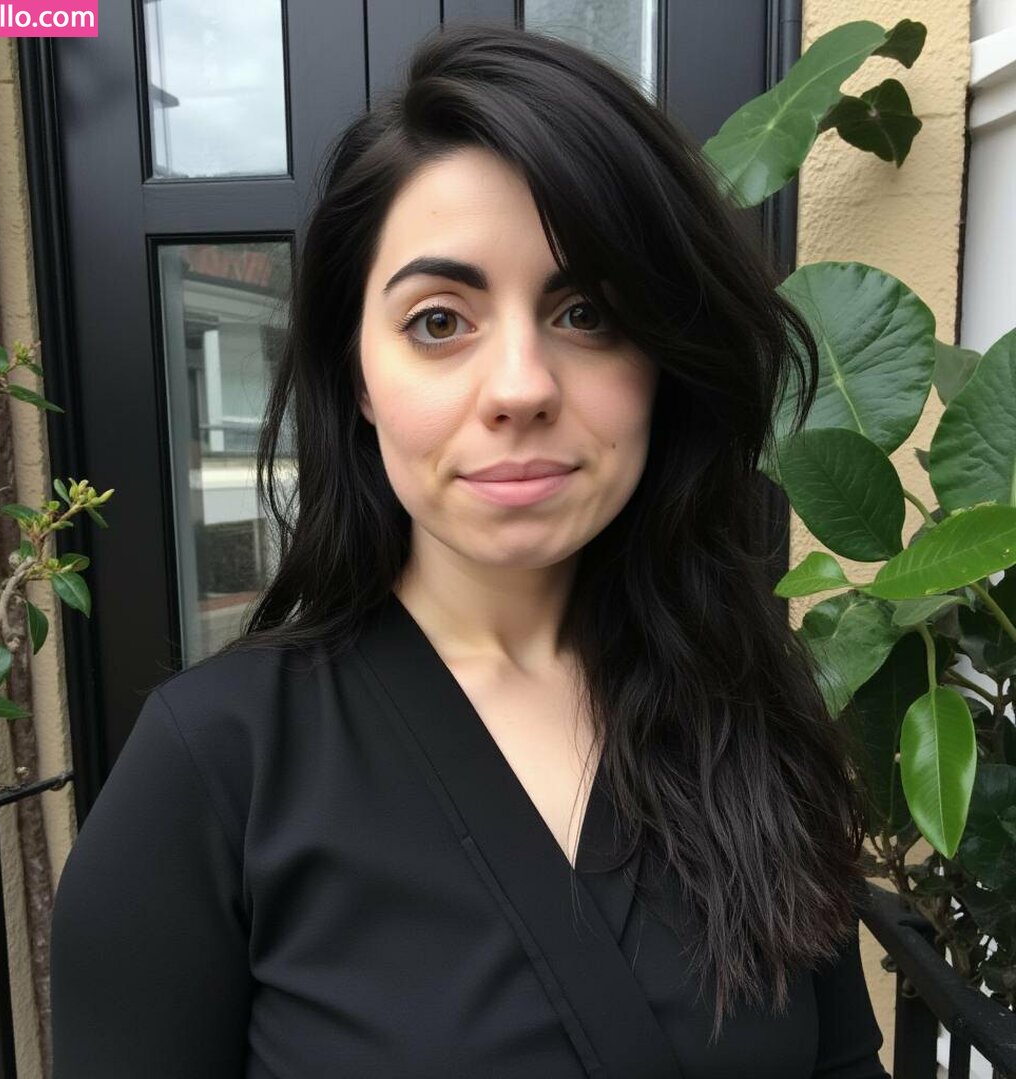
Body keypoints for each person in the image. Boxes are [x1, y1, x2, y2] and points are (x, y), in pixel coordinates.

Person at [49, 21, 891, 1079]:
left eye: (587, 312)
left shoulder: (747, 705)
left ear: (662, 360)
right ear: (357, 375)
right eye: (440, 321)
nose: (521, 387)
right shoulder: (213, 768)